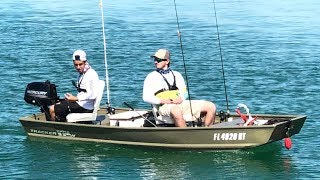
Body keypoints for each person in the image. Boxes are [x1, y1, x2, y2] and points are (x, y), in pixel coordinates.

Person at [143, 48, 216, 127]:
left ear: (167, 61)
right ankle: (186, 136)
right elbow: (145, 97)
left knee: (211, 106)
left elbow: (185, 93)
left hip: (180, 103)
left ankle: (206, 132)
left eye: (158, 59)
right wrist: (162, 101)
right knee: (176, 111)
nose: (155, 62)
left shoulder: (177, 74)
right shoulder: (151, 76)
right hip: (164, 106)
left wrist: (181, 98)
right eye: (154, 59)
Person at [49, 50, 100, 121]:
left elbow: (93, 94)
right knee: (58, 103)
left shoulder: (91, 74)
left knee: (52, 108)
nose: (78, 67)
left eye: (80, 64)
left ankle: (55, 129)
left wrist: (76, 98)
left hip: (86, 107)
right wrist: (72, 98)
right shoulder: (82, 73)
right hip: (81, 103)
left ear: (85, 62)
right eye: (76, 65)